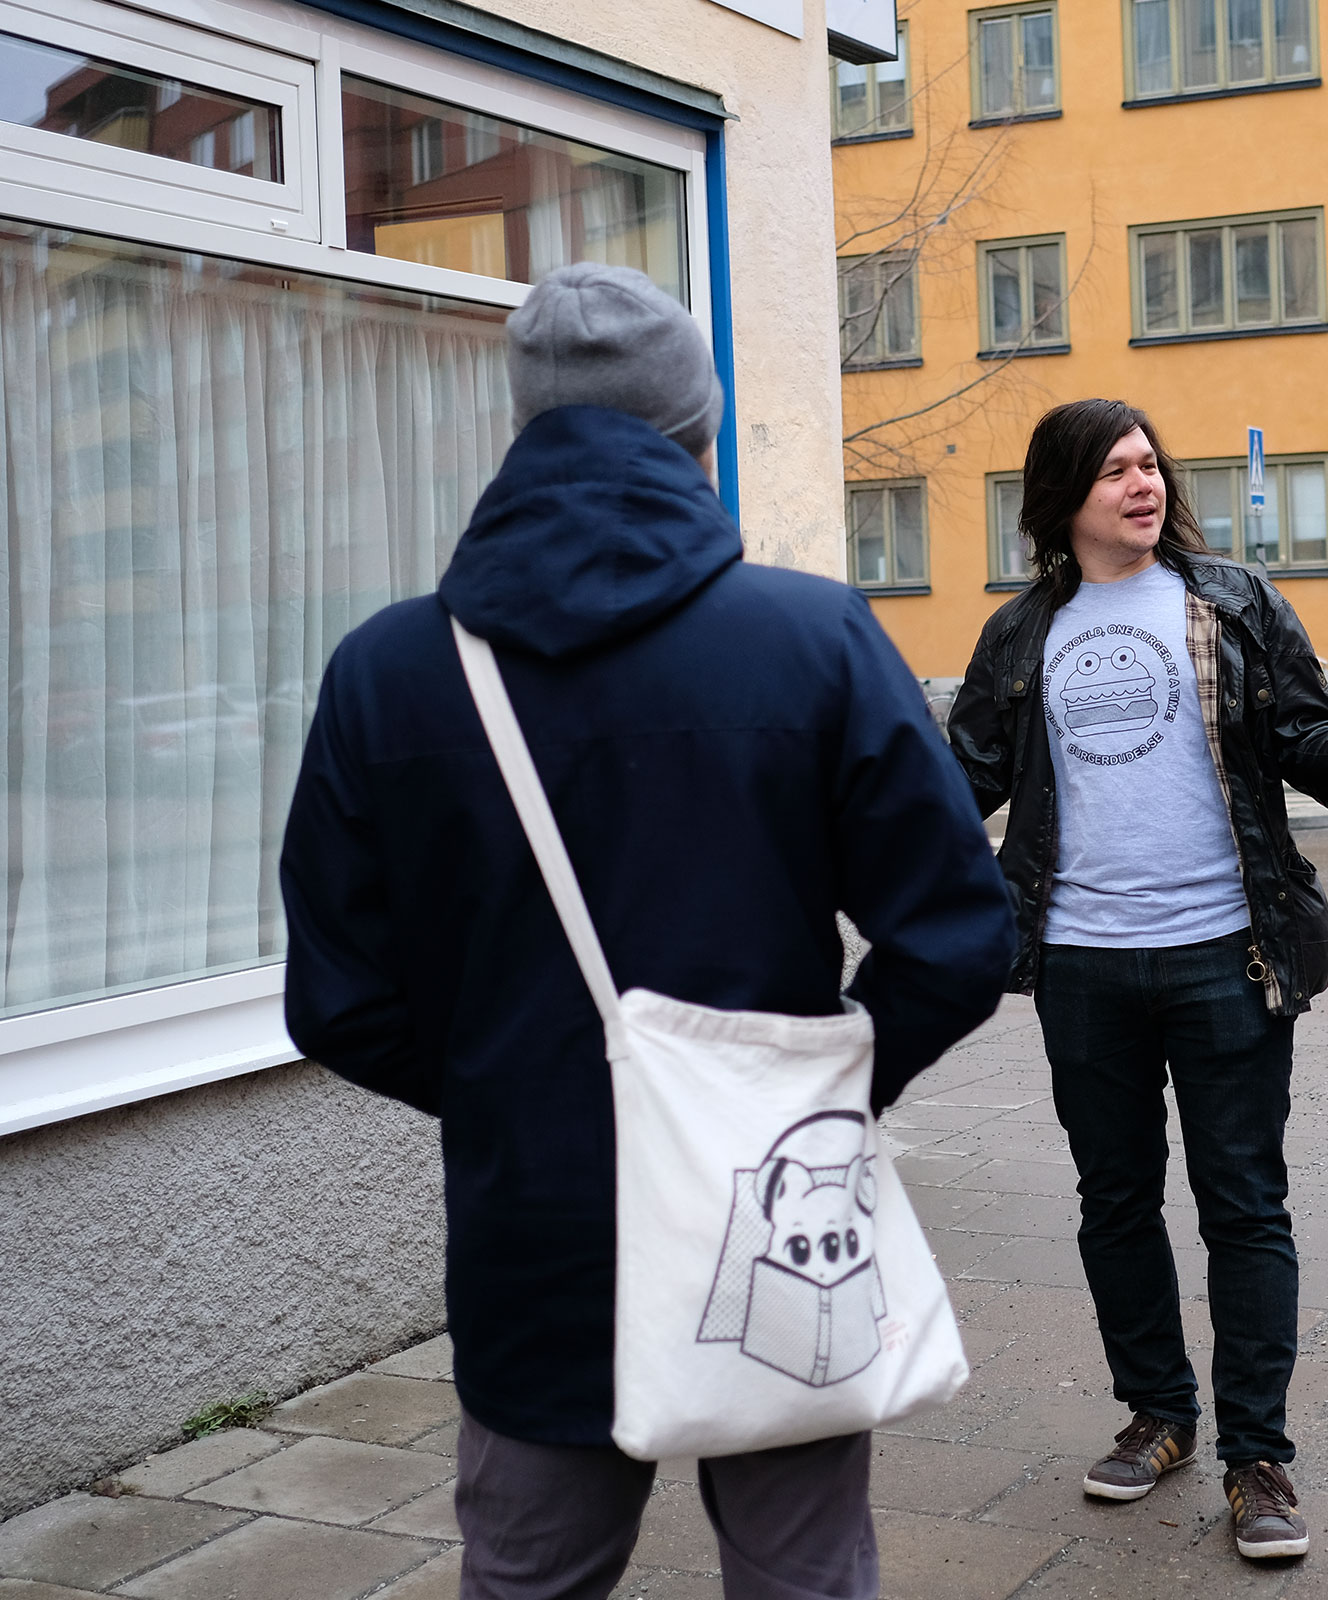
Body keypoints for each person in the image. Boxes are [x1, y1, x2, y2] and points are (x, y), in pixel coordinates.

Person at [280, 262, 1017, 1600]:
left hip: (532, 1236)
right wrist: (828, 1086)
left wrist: (505, 1092)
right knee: (803, 1580)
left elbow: (337, 997)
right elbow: (962, 931)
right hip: (777, 1218)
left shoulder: (387, 672)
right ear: (700, 430)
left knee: (525, 1578)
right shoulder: (813, 638)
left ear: (525, 431)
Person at [945, 398, 1328, 1562]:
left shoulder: (1228, 601)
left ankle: (1259, 1460)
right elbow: (959, 779)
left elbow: (1310, 751)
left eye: (1150, 466)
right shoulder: (1024, 632)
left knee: (1244, 1202)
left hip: (1228, 951)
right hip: (1080, 960)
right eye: (1117, 470)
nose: (1145, 485)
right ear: (1064, 495)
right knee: (1115, 1197)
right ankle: (1159, 1416)